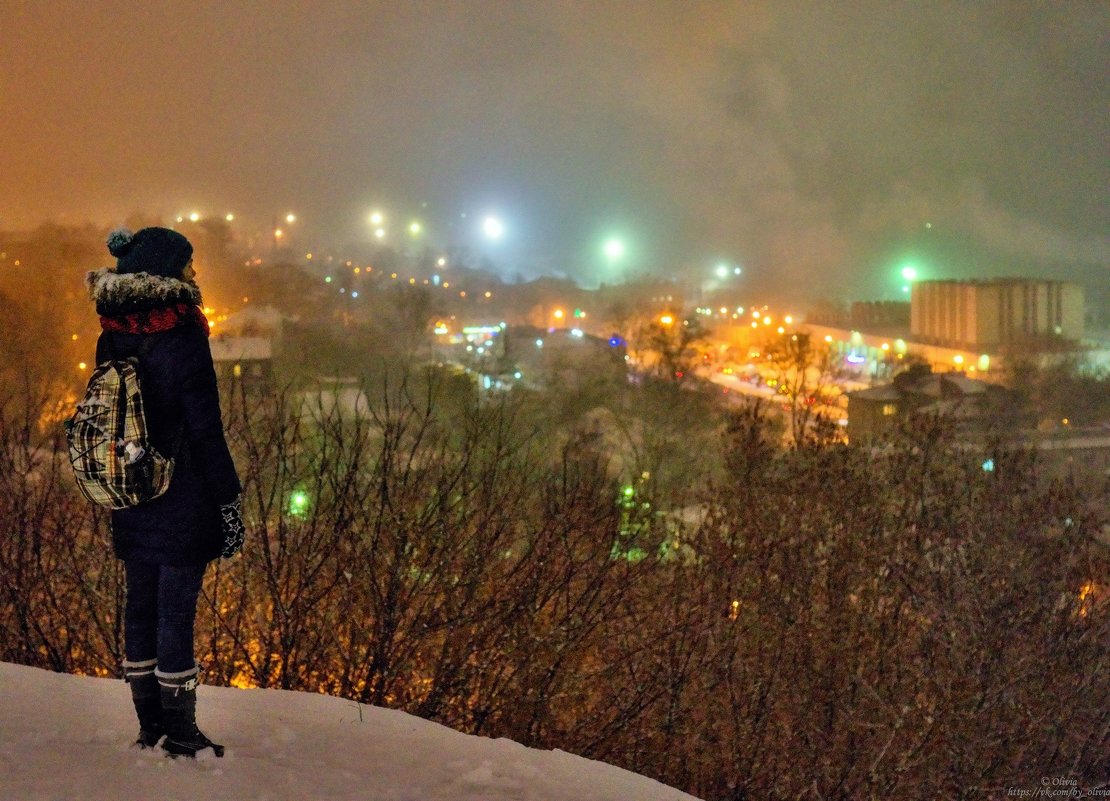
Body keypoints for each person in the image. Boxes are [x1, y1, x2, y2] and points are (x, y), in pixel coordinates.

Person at [86, 226, 245, 758]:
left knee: (140, 608)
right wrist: (228, 498)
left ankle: (149, 724)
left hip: (129, 489)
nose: (194, 272)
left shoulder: (112, 330)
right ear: (165, 273)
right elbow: (205, 430)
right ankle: (181, 732)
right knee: (175, 614)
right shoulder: (182, 335)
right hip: (181, 494)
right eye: (187, 263)